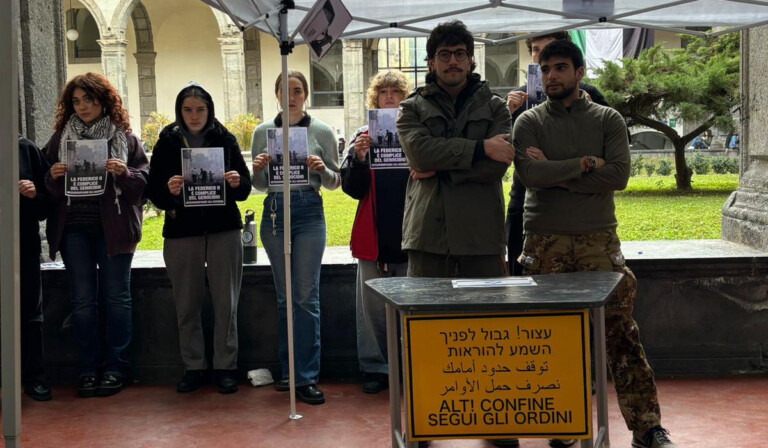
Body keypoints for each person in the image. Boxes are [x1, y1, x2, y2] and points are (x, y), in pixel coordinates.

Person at [512, 40, 677, 448]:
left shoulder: (608, 120)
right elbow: (530, 175)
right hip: (544, 242)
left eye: (561, 67)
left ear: (579, 72)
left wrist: (557, 172)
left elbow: (618, 175)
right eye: (546, 68)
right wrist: (586, 164)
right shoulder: (527, 122)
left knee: (619, 334)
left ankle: (647, 428)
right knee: (553, 336)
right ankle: (563, 423)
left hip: (598, 240)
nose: (552, 76)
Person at [42, 72, 148, 398]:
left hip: (114, 230)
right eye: (76, 101)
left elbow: (144, 186)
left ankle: (116, 367)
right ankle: (88, 369)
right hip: (74, 230)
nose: (83, 106)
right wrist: (52, 175)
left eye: (88, 99)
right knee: (83, 302)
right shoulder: (61, 138)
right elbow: (42, 185)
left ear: (103, 100)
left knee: (117, 299)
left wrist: (124, 172)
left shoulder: (124, 138)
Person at [146, 83, 251, 395]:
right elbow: (154, 193)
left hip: (224, 231)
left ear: (210, 110)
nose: (194, 116)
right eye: (188, 110)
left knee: (226, 302)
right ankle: (194, 366)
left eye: (200, 109)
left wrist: (235, 182)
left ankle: (225, 367)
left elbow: (244, 188)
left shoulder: (225, 138)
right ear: (180, 110)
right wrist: (170, 191)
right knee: (186, 304)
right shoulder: (166, 140)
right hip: (182, 233)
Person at [396, 20, 512, 279]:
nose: (453, 61)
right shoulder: (411, 107)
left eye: (460, 54)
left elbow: (498, 164)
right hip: (428, 234)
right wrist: (482, 148)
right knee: (427, 317)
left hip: (482, 236)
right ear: (431, 62)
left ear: (470, 60)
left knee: (486, 317)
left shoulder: (496, 107)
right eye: (444, 55)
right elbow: (420, 154)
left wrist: (438, 173)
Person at [251, 70, 341, 405]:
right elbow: (258, 185)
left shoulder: (320, 131)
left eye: (298, 91)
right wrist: (258, 168)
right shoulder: (264, 132)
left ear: (305, 95)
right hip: (274, 210)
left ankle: (305, 377)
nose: (291, 97)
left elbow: (335, 182)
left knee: (305, 297)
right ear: (275, 94)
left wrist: (321, 168)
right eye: (285, 91)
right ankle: (288, 372)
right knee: (284, 297)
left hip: (308, 211)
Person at [505, 31, 609, 277]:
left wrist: (551, 167)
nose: (540, 54)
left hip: (583, 211)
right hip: (526, 202)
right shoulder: (519, 98)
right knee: (524, 280)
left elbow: (616, 155)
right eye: (535, 50)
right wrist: (506, 113)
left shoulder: (590, 95)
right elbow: (505, 152)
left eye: (548, 48)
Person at [340, 69, 411, 394]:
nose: (390, 97)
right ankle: (375, 367)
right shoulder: (361, 135)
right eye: (384, 92)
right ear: (375, 98)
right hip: (373, 229)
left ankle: (409, 364)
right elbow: (351, 189)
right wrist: (358, 157)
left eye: (396, 92)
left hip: (409, 230)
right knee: (370, 308)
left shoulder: (414, 132)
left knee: (409, 303)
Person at [18, 135, 52, 401]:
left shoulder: (25, 148)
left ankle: (34, 379)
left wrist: (33, 194)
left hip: (22, 243)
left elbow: (46, 205)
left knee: (30, 311)